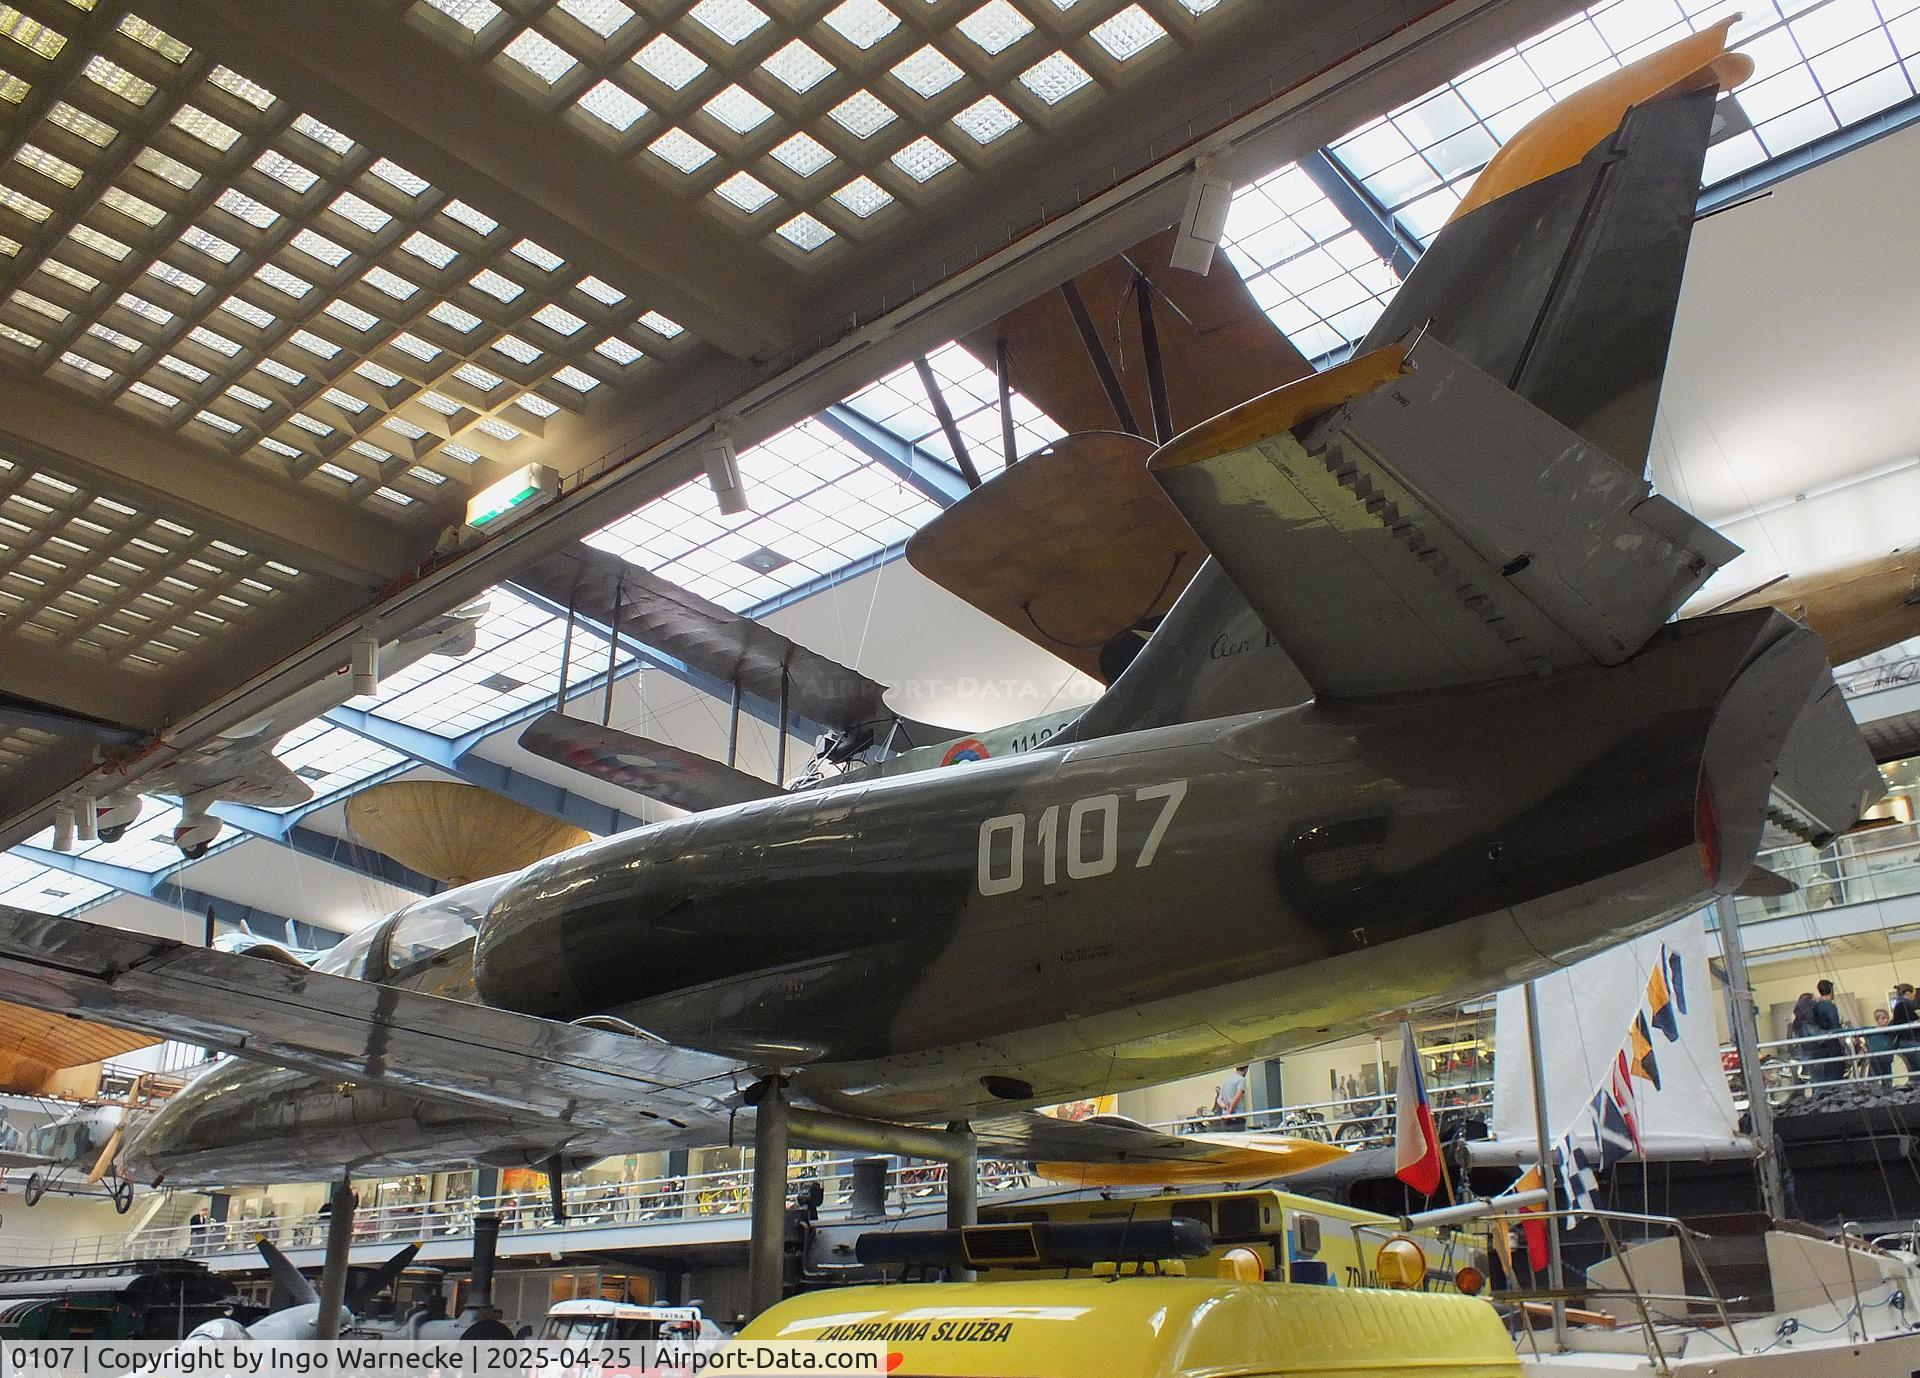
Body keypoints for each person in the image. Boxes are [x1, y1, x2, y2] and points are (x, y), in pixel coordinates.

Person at [1809, 979, 1846, 1084]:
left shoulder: (1816, 1005)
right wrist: (1842, 1039)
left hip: (1820, 1043)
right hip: (1832, 1042)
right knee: (1836, 1070)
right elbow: (1835, 1025)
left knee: (1827, 1071)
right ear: (1831, 990)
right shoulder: (1830, 1006)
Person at [1892, 983, 1920, 1081]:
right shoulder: (1903, 1005)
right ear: (1908, 993)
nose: (1915, 997)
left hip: (1906, 1041)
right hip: (1909, 1041)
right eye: (1914, 994)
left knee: (1915, 1068)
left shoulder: (1899, 1005)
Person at [1864, 1009, 1898, 1085]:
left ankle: (1887, 1091)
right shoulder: (1870, 1031)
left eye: (1885, 1018)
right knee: (1872, 1079)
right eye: (1879, 1018)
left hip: (1887, 1059)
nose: (1883, 1020)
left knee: (1887, 1079)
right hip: (1875, 1059)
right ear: (1876, 1020)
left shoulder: (1891, 1030)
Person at [1213, 1064, 1249, 1131]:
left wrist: (1225, 1107)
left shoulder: (1226, 1080)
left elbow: (1219, 1099)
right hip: (1237, 1116)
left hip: (1225, 1117)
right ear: (1246, 1069)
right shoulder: (1241, 1080)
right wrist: (1229, 1111)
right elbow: (1238, 1097)